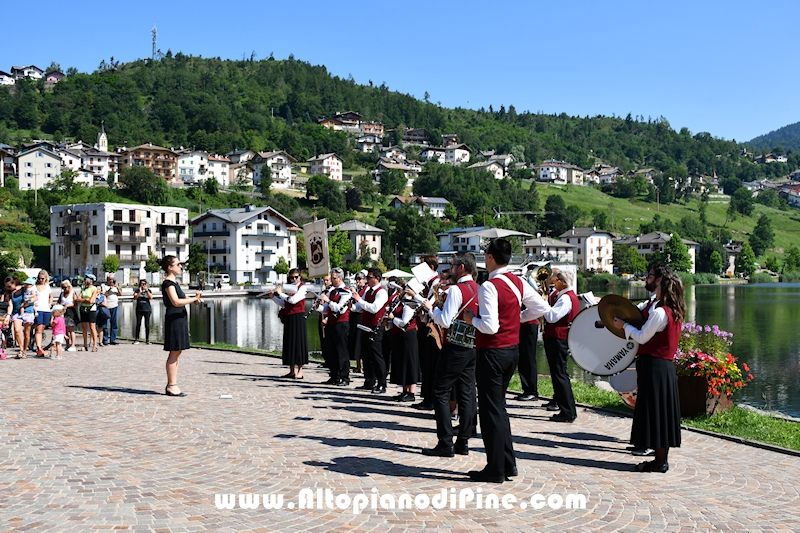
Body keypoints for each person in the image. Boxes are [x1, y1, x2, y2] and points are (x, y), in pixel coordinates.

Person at [464, 238, 551, 483]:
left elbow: (490, 327)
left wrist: (471, 320)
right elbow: (541, 308)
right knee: (499, 409)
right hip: (512, 351)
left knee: (491, 412)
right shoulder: (517, 281)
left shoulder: (489, 286)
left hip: (492, 352)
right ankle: (507, 463)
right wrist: (517, 319)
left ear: (490, 257)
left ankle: (496, 469)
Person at [613, 263, 685, 473]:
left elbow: (643, 336)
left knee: (656, 413)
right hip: (663, 367)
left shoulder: (660, 313)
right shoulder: (674, 311)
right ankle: (659, 459)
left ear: (662, 286)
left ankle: (660, 462)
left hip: (655, 366)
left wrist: (624, 326)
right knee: (660, 414)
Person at [421, 252, 480, 458]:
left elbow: (445, 321)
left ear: (461, 267)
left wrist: (431, 310)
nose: (450, 269)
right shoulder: (478, 288)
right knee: (466, 393)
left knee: (440, 392)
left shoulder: (457, 290)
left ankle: (445, 442)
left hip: (454, 346)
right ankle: (463, 442)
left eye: (453, 265)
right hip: (471, 346)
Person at [542, 268, 580, 422]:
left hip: (558, 339)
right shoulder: (564, 296)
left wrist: (543, 303)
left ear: (563, 283)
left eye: (556, 280)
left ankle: (568, 411)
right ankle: (565, 408)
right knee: (559, 374)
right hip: (557, 338)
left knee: (560, 374)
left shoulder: (565, 299)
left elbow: (552, 317)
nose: (553, 282)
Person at [161, 255, 202, 397]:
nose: (180, 266)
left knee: (178, 351)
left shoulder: (175, 283)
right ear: (170, 267)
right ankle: (171, 385)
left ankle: (173, 383)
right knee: (174, 351)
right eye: (178, 264)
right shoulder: (168, 283)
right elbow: (176, 301)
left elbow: (183, 299)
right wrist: (193, 300)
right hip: (174, 318)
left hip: (179, 318)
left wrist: (194, 299)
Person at [410, 255, 441, 411]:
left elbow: (431, 304)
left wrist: (413, 295)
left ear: (431, 268)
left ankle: (430, 399)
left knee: (430, 365)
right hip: (424, 325)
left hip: (432, 329)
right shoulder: (428, 284)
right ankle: (426, 397)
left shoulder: (437, 284)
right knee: (426, 365)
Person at [351, 267, 388, 393]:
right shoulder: (369, 291)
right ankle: (369, 381)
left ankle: (382, 383)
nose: (367, 280)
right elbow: (360, 307)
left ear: (377, 279)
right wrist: (352, 306)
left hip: (375, 326)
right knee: (366, 355)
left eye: (369, 277)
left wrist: (359, 300)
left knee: (376, 355)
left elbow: (374, 308)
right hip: (365, 325)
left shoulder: (381, 292)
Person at [273, 268, 308, 379]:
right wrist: (273, 297)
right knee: (290, 343)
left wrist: (280, 293)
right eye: (292, 277)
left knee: (298, 343)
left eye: (296, 277)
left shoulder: (302, 288)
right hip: (289, 317)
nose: (294, 279)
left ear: (300, 277)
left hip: (298, 317)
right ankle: (291, 370)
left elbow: (293, 300)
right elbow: (284, 303)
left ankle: (300, 371)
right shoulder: (288, 288)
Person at [318, 268, 352, 386]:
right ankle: (334, 376)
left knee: (341, 351)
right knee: (331, 351)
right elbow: (327, 310)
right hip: (331, 323)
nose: (331, 280)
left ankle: (345, 377)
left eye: (334, 278)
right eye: (331, 278)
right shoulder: (332, 291)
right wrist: (319, 305)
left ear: (340, 278)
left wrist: (327, 301)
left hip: (341, 323)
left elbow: (339, 309)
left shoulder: (346, 292)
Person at [389, 285, 419, 402]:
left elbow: (404, 323)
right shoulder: (400, 303)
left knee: (409, 362)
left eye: (400, 290)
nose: (398, 293)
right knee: (402, 363)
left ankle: (411, 392)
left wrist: (393, 318)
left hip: (407, 336)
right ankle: (404, 390)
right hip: (399, 336)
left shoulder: (409, 304)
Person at [516, 266, 542, 401]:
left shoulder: (529, 291)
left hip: (530, 325)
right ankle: (526, 388)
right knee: (523, 358)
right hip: (523, 325)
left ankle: (532, 390)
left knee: (529, 358)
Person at [348, 271, 367, 374]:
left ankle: (363, 365)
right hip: (353, 316)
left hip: (360, 315)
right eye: (357, 279)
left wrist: (355, 294)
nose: (358, 281)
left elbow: (361, 304)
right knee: (355, 340)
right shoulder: (358, 290)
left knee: (360, 340)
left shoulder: (365, 290)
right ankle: (358, 365)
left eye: (360, 279)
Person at [75, 274, 99, 352]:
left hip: (91, 309)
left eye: (85, 279)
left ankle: (95, 345)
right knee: (84, 328)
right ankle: (85, 345)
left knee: (92, 327)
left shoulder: (94, 289)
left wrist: (83, 299)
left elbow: (91, 301)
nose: (84, 281)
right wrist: (85, 299)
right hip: (83, 308)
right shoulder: (83, 288)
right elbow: (78, 299)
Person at [33, 270, 53, 357]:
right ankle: (39, 347)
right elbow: (32, 296)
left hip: (46, 309)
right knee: (39, 328)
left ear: (46, 278)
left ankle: (39, 347)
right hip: (38, 309)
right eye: (39, 278)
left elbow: (51, 296)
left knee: (43, 327)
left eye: (42, 279)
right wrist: (34, 304)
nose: (41, 280)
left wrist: (50, 303)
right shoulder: (35, 287)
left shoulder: (47, 286)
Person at [58, 280, 78, 351]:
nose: (64, 289)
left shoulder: (73, 293)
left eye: (65, 287)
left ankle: (73, 345)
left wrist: (69, 305)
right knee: (65, 329)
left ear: (69, 287)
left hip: (71, 311)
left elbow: (76, 304)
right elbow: (59, 302)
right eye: (62, 287)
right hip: (63, 312)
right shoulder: (62, 294)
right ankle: (67, 344)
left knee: (71, 329)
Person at [102, 274, 121, 345]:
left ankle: (113, 339)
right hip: (107, 307)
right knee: (106, 324)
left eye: (112, 279)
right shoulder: (104, 286)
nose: (111, 281)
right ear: (107, 280)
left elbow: (120, 294)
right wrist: (110, 288)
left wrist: (117, 288)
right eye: (110, 279)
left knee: (114, 323)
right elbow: (104, 295)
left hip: (114, 306)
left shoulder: (116, 286)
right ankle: (105, 340)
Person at [133, 280, 153, 344]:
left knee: (147, 325)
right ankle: (137, 339)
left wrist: (146, 291)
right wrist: (140, 292)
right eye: (142, 284)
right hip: (139, 309)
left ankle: (147, 339)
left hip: (147, 309)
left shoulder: (149, 290)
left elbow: (151, 297)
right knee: (138, 324)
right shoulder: (137, 290)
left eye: (144, 284)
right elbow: (135, 298)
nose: (143, 285)